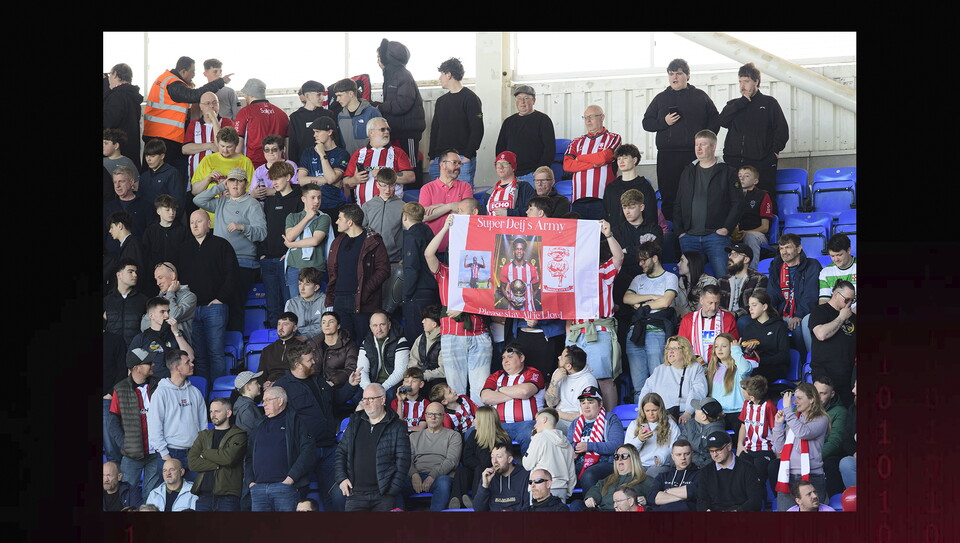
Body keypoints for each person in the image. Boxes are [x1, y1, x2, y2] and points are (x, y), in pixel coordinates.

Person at [273, 342, 361, 512]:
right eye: (309, 360)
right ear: (297, 365)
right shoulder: (282, 387)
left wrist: (350, 385)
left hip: (328, 448)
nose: (314, 362)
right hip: (302, 452)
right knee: (299, 499)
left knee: (336, 495)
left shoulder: (318, 379)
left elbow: (336, 401)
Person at [424, 214, 492, 406]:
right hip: (452, 334)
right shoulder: (444, 272)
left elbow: (489, 300)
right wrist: (445, 227)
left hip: (479, 333)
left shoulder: (481, 272)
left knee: (480, 391)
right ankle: (462, 427)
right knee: (456, 390)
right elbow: (429, 254)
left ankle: (480, 430)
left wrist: (464, 307)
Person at [642, 58, 721, 222]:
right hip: (667, 155)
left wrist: (705, 143)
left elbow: (715, 120)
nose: (674, 77)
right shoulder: (660, 98)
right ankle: (672, 233)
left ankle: (697, 229)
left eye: (679, 73)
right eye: (671, 74)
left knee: (696, 193)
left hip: (694, 155)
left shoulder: (700, 96)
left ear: (688, 76)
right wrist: (664, 122)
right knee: (669, 194)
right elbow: (647, 123)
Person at [194, 166, 267, 333]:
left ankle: (237, 349)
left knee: (234, 307)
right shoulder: (221, 201)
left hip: (242, 263)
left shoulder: (252, 204)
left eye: (239, 181)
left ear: (246, 184)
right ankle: (225, 349)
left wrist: (243, 227)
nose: (235, 184)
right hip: (219, 264)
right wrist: (220, 186)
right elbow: (198, 200)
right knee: (219, 308)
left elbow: (262, 233)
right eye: (232, 180)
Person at [565, 219, 625, 409]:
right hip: (575, 333)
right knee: (571, 378)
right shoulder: (568, 273)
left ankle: (608, 421)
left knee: (604, 379)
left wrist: (608, 234)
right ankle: (579, 421)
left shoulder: (603, 271)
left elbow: (619, 258)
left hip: (598, 331)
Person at [143, 56, 232, 182]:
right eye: (192, 72)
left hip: (161, 135)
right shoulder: (173, 83)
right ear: (183, 71)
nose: (193, 76)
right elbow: (193, 95)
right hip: (164, 138)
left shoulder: (166, 79)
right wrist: (220, 82)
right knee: (163, 178)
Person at [673, 129, 743, 279]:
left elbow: (737, 203)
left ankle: (726, 303)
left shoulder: (728, 171)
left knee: (723, 278)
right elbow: (678, 202)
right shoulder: (688, 171)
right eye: (696, 144)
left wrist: (726, 229)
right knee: (691, 281)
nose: (698, 148)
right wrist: (680, 231)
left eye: (703, 144)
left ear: (713, 147)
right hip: (689, 237)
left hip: (716, 236)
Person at [335, 384, 412, 511]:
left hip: (383, 496)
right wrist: (341, 478)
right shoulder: (354, 422)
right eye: (364, 399)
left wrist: (392, 489)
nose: (366, 402)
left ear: (382, 400)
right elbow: (340, 452)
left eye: (371, 399)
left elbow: (403, 460)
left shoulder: (397, 426)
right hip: (355, 495)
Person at [719, 62, 790, 199]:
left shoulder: (769, 103)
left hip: (761, 162)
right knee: (734, 200)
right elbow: (722, 121)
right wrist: (742, 103)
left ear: (756, 82)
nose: (742, 86)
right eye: (740, 81)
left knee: (764, 199)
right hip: (734, 162)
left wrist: (774, 152)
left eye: (746, 81)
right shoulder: (734, 104)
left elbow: (782, 130)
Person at [325, 204, 390, 344]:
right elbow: (332, 270)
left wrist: (366, 290)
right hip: (340, 299)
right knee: (344, 342)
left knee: (364, 342)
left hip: (363, 300)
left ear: (350, 222)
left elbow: (384, 269)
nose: (336, 221)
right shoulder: (338, 241)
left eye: (339, 218)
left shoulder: (373, 241)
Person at [624, 240, 679, 399]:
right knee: (638, 387)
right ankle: (640, 421)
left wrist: (642, 306)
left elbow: (666, 301)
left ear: (655, 258)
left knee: (659, 383)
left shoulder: (670, 277)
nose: (641, 263)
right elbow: (627, 298)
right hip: (635, 333)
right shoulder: (638, 279)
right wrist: (651, 297)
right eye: (639, 260)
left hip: (656, 332)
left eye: (644, 259)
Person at [248, 386, 316, 511]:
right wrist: (251, 482)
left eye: (268, 400)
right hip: (259, 489)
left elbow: (308, 451)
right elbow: (248, 456)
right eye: (263, 401)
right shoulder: (258, 424)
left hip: (285, 488)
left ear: (280, 401)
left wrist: (290, 479)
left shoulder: (296, 421)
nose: (264, 404)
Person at [108, 349, 161, 503]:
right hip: (132, 454)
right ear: (137, 367)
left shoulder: (159, 385)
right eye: (149, 363)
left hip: (156, 452)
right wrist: (125, 444)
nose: (153, 364)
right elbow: (113, 423)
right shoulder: (120, 388)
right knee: (126, 496)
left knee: (151, 497)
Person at [147, 349, 207, 482]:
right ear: (176, 367)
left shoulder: (195, 392)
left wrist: (201, 451)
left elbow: (203, 425)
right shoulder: (161, 393)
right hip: (170, 453)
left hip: (194, 453)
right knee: (170, 498)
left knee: (195, 496)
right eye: (187, 362)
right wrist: (165, 456)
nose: (192, 364)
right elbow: (154, 427)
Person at [376, 38, 426, 186]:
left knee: (410, 165)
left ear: (387, 58)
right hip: (397, 130)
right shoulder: (391, 74)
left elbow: (403, 104)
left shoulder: (402, 75)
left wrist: (381, 107)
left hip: (408, 132)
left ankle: (415, 198)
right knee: (399, 164)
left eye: (379, 57)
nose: (377, 61)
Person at [480, 343, 546, 455]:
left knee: (529, 432)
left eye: (510, 357)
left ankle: (528, 469)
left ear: (521, 358)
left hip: (526, 424)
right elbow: (485, 397)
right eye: (503, 358)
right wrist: (516, 393)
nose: (505, 361)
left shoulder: (533, 373)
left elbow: (525, 391)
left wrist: (499, 389)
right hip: (498, 425)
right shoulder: (496, 375)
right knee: (473, 433)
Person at [772, 383, 829, 511]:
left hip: (812, 476)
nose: (795, 402)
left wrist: (787, 410)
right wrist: (778, 425)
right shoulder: (794, 419)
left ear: (811, 399)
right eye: (794, 398)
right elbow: (780, 448)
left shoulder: (822, 418)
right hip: (788, 475)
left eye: (799, 398)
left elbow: (803, 433)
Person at [259, 162, 303, 327]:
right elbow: (265, 228)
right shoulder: (270, 201)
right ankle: (274, 343)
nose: (274, 182)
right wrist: (262, 253)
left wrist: (291, 252)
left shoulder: (299, 200)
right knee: (272, 305)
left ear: (288, 177)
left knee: (289, 303)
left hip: (288, 260)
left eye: (278, 178)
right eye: (272, 179)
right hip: (268, 258)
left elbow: (302, 230)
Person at [766, 233, 822, 360]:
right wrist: (771, 315)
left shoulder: (812, 265)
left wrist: (799, 315)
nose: (784, 252)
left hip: (803, 313)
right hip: (781, 313)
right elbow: (772, 293)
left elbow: (810, 296)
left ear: (798, 248)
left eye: (788, 247)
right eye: (781, 248)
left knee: (796, 328)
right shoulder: (776, 267)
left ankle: (805, 362)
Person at [429, 58, 483, 186]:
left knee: (462, 201)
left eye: (441, 74)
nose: (439, 77)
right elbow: (435, 129)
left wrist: (468, 156)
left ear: (449, 74)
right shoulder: (441, 101)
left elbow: (477, 129)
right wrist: (432, 157)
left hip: (462, 158)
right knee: (437, 200)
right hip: (439, 159)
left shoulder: (471, 99)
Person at [187, 398, 247, 511]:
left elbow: (228, 458)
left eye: (217, 411)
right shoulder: (203, 435)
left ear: (229, 413)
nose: (213, 415)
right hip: (204, 496)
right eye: (211, 411)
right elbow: (192, 463)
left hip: (228, 497)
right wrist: (218, 463)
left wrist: (204, 453)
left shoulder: (239, 435)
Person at [342, 117, 415, 206]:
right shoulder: (359, 153)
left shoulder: (398, 152)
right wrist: (355, 179)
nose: (387, 132)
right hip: (363, 209)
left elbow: (411, 177)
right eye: (382, 129)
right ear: (371, 132)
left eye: (388, 129)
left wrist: (385, 175)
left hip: (391, 209)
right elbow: (345, 183)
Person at [405, 401, 462, 511]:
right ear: (425, 416)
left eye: (437, 414)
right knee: (394, 484)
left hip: (440, 477)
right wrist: (414, 474)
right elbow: (407, 459)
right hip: (416, 475)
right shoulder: (413, 437)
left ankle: (434, 521)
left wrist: (433, 476)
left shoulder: (453, 436)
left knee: (444, 483)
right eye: (429, 414)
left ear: (444, 417)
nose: (433, 417)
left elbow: (451, 461)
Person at [189, 127, 256, 220]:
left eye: (229, 147)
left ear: (236, 145)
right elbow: (195, 191)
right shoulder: (208, 160)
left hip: (234, 217)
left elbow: (250, 192)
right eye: (222, 146)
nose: (225, 150)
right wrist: (208, 179)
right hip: (209, 218)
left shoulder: (245, 162)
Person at [566, 386, 624, 492]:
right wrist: (572, 450)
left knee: (589, 474)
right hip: (579, 464)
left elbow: (617, 445)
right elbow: (568, 445)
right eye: (583, 403)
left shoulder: (610, 419)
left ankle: (590, 507)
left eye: (590, 402)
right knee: (560, 472)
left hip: (605, 463)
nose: (586, 406)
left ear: (600, 404)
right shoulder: (575, 423)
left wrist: (589, 446)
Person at [809, 280, 857, 407]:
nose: (850, 303)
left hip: (847, 376)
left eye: (852, 300)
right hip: (824, 374)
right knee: (822, 412)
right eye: (847, 299)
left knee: (847, 415)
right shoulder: (820, 311)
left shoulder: (853, 318)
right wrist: (841, 318)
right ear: (836, 294)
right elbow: (821, 334)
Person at [495, 85, 556, 183]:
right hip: (511, 175)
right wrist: (503, 169)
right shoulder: (508, 122)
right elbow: (500, 148)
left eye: (526, 98)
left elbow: (549, 149)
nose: (522, 102)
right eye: (519, 98)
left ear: (534, 101)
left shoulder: (543, 120)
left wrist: (539, 172)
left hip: (533, 175)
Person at [563, 105, 622, 204]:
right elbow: (567, 165)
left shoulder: (613, 138)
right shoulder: (576, 141)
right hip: (579, 199)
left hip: (603, 199)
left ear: (602, 117)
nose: (588, 121)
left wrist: (579, 158)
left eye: (592, 117)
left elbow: (604, 158)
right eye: (585, 117)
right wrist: (592, 164)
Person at [297, 116, 350, 225]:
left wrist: (322, 154)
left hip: (334, 206)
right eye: (314, 132)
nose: (314, 135)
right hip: (312, 207)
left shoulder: (342, 154)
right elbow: (301, 180)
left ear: (330, 132)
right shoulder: (308, 152)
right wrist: (326, 180)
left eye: (318, 131)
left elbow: (331, 178)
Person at [283, 182, 330, 302]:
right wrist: (307, 217)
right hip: (294, 267)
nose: (316, 201)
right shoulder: (292, 217)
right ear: (303, 199)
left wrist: (291, 245)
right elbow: (290, 236)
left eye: (319, 197)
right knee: (295, 305)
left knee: (316, 305)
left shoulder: (324, 217)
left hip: (315, 267)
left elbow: (315, 240)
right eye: (313, 197)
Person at [419, 150, 474, 253]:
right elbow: (424, 216)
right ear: (443, 164)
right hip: (432, 249)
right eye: (454, 162)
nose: (458, 166)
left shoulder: (465, 187)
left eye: (460, 163)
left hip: (458, 248)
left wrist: (437, 208)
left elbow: (467, 214)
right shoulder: (427, 188)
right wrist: (449, 206)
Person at [128, 296, 195, 380]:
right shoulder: (141, 338)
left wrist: (176, 332)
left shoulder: (177, 333)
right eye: (162, 312)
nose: (167, 316)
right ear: (151, 316)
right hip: (151, 383)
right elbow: (131, 367)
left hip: (175, 381)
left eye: (168, 311)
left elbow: (190, 357)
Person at [696, 430, 764, 511]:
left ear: (729, 447)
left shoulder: (747, 468)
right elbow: (701, 500)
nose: (715, 454)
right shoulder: (705, 472)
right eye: (711, 451)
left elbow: (755, 500)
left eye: (718, 450)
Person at [736, 375, 778, 497]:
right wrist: (739, 445)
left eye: (744, 391)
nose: (742, 392)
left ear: (752, 396)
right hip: (748, 448)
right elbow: (743, 426)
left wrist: (777, 451)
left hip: (765, 449)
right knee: (741, 476)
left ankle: (761, 505)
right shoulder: (746, 404)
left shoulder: (769, 406)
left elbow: (775, 430)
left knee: (757, 477)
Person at [183, 91, 235, 189]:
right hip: (198, 178)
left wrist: (214, 120)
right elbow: (185, 149)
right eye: (207, 103)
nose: (211, 106)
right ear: (201, 107)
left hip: (222, 179)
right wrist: (209, 145)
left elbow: (221, 147)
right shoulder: (194, 124)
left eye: (215, 103)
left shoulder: (227, 122)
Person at [522, 408, 576, 500]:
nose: (535, 425)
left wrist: (533, 441)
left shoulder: (539, 438)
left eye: (537, 421)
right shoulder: (566, 442)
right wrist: (567, 492)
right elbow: (571, 472)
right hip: (562, 488)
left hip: (541, 488)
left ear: (544, 419)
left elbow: (527, 464)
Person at [234, 78, 289, 168]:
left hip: (254, 164)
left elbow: (238, 143)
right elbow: (287, 146)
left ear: (250, 95)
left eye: (245, 95)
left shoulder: (245, 112)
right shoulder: (282, 114)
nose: (245, 97)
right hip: (278, 165)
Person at [624, 392, 682, 478]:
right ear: (643, 410)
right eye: (647, 411)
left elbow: (675, 448)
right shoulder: (634, 424)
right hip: (639, 464)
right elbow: (627, 451)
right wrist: (639, 440)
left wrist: (661, 458)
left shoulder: (670, 425)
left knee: (651, 475)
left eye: (654, 410)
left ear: (661, 409)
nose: (651, 414)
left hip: (660, 465)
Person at [677, 284, 740, 363]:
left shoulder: (728, 318)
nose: (713, 307)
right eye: (710, 303)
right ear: (701, 300)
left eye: (717, 303)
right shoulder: (688, 319)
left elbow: (734, 346)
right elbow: (682, 345)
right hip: (694, 366)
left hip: (721, 366)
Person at [704, 334, 753, 435]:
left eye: (724, 346)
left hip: (739, 412)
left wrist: (736, 350)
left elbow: (745, 369)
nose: (719, 349)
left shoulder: (738, 367)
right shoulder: (712, 368)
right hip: (719, 414)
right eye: (716, 346)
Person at [580, 443, 652, 511]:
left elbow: (656, 498)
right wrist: (591, 498)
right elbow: (595, 490)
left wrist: (646, 500)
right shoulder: (608, 480)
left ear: (633, 458)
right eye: (616, 457)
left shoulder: (645, 480)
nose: (619, 459)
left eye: (624, 456)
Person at [739, 289, 790, 382]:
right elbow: (744, 354)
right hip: (753, 368)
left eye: (754, 305)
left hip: (775, 368)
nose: (750, 309)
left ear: (764, 306)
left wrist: (760, 361)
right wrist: (748, 351)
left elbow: (784, 356)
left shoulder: (779, 326)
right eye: (749, 306)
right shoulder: (748, 328)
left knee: (754, 376)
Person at [288, 80, 340, 169]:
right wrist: (295, 167)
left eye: (323, 95)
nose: (322, 98)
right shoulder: (295, 117)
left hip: (328, 161)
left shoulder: (328, 114)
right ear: (307, 96)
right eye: (318, 95)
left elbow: (336, 139)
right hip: (306, 164)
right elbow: (293, 145)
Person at [544, 346, 598, 431]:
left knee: (546, 430)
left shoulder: (588, 381)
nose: (558, 357)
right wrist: (554, 381)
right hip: (558, 418)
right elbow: (551, 403)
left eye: (561, 357)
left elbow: (588, 415)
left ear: (569, 366)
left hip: (576, 424)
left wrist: (558, 414)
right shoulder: (559, 372)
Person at [357, 310, 410, 394]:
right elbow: (362, 370)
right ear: (370, 327)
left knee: (390, 396)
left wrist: (381, 389)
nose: (379, 329)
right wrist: (369, 388)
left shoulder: (400, 341)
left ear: (389, 325)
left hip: (393, 384)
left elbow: (400, 372)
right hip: (373, 384)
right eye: (375, 325)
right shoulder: (366, 343)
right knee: (357, 396)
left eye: (382, 324)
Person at [718, 243, 768, 331]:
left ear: (746, 259)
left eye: (735, 254)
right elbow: (718, 302)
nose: (730, 257)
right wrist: (724, 313)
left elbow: (756, 304)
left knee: (743, 321)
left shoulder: (759, 278)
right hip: (725, 315)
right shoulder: (722, 280)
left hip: (747, 316)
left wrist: (735, 314)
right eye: (730, 254)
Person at [103, 63, 143, 170]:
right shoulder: (133, 96)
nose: (109, 78)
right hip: (130, 149)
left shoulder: (117, 96)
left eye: (110, 74)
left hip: (117, 153)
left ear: (116, 74)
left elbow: (108, 121)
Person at [361, 168, 405, 264]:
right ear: (377, 185)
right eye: (384, 186)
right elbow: (360, 231)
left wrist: (404, 256)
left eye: (391, 186)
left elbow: (407, 234)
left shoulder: (402, 206)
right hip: (371, 256)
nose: (387, 190)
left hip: (394, 258)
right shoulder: (368, 206)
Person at [734, 165, 774, 270]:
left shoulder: (763, 195)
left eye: (746, 176)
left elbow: (765, 227)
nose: (741, 178)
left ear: (755, 181)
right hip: (736, 234)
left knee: (750, 236)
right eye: (739, 176)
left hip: (757, 235)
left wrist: (746, 232)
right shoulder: (732, 195)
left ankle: (752, 273)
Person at [814, 375, 848, 493]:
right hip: (801, 453)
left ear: (832, 394)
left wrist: (813, 458)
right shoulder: (803, 406)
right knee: (775, 465)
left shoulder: (840, 412)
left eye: (822, 393)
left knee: (831, 463)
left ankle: (834, 500)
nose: (817, 397)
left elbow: (835, 442)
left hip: (824, 455)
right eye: (815, 392)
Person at [472, 441, 530, 512]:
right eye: (492, 457)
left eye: (499, 457)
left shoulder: (524, 475)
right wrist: (484, 486)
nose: (494, 461)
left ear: (510, 459)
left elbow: (528, 507)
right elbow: (478, 509)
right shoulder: (489, 477)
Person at [306, 311, 359, 388]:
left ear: (338, 326)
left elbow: (351, 369)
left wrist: (332, 382)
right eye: (324, 322)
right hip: (315, 385)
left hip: (338, 386)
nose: (327, 325)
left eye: (331, 322)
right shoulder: (313, 343)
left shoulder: (349, 345)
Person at [141, 199, 190, 283]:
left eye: (174, 209)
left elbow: (186, 255)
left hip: (177, 276)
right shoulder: (150, 231)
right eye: (167, 209)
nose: (172, 212)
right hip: (154, 278)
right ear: (158, 211)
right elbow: (145, 255)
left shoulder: (183, 231)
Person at [329, 77, 382, 155]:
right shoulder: (341, 116)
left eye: (340, 95)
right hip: (350, 162)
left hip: (370, 161)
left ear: (351, 94)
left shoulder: (372, 112)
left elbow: (381, 139)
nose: (337, 99)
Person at [644, 439, 700, 511]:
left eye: (686, 454)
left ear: (692, 454)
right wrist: (685, 497)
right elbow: (652, 497)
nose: (683, 458)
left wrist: (667, 491)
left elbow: (694, 492)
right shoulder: (663, 476)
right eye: (678, 455)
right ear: (673, 457)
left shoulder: (701, 474)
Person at [249, 135, 300, 206]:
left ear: (282, 150)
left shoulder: (290, 165)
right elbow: (251, 193)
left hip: (286, 204)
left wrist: (274, 192)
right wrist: (253, 194)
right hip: (264, 207)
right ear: (263, 152)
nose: (270, 152)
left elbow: (296, 189)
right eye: (267, 150)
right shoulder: (259, 171)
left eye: (274, 149)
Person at [678, 397, 727, 469]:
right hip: (686, 465)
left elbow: (711, 459)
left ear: (703, 417)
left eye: (697, 409)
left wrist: (690, 458)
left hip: (705, 470)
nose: (694, 410)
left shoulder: (716, 432)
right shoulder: (690, 424)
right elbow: (680, 445)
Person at [497, 236, 540, 312]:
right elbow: (502, 287)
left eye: (521, 249)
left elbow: (536, 289)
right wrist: (510, 299)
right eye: (517, 249)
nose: (519, 251)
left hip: (528, 311)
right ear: (514, 251)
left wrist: (529, 301)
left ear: (524, 251)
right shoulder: (506, 268)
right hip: (512, 311)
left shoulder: (532, 269)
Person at [485, 151, 535, 217]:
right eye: (498, 164)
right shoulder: (489, 192)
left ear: (513, 167)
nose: (501, 167)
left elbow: (532, 211)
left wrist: (509, 213)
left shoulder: (524, 187)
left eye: (505, 164)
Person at [817, 232, 857, 312]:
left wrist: (849, 316)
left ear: (849, 250)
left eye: (839, 255)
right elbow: (824, 300)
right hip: (834, 315)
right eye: (832, 256)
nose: (836, 259)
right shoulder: (825, 272)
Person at [138, 138, 182, 210]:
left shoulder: (172, 173)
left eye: (152, 156)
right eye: (146, 156)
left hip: (165, 218)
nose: (148, 159)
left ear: (162, 156)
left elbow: (178, 202)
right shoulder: (144, 176)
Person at [407, 306, 444, 389]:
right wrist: (412, 376)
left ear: (434, 324)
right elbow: (414, 361)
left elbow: (443, 370)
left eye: (425, 319)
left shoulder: (444, 341)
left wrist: (422, 376)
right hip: (420, 378)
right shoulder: (421, 338)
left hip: (437, 380)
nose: (422, 321)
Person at [674, 251, 719, 318]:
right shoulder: (678, 282)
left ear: (692, 263)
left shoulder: (709, 282)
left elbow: (705, 310)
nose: (678, 264)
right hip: (681, 322)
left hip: (701, 323)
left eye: (682, 261)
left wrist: (683, 312)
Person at [391, 367, 429, 432]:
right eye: (407, 381)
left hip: (417, 436)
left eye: (414, 381)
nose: (409, 384)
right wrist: (400, 402)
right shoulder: (395, 402)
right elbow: (397, 424)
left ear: (421, 384)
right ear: (403, 383)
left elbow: (421, 428)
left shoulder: (426, 403)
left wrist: (404, 429)